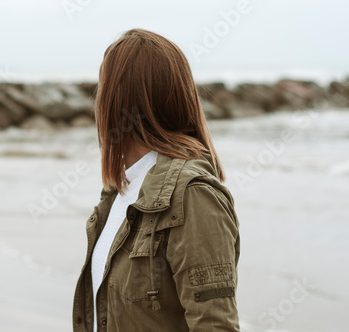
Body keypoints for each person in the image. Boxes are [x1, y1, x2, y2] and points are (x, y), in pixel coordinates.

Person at [72, 28, 241, 331]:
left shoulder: (193, 195)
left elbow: (215, 324)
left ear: (114, 100)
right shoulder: (119, 192)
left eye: (103, 86)